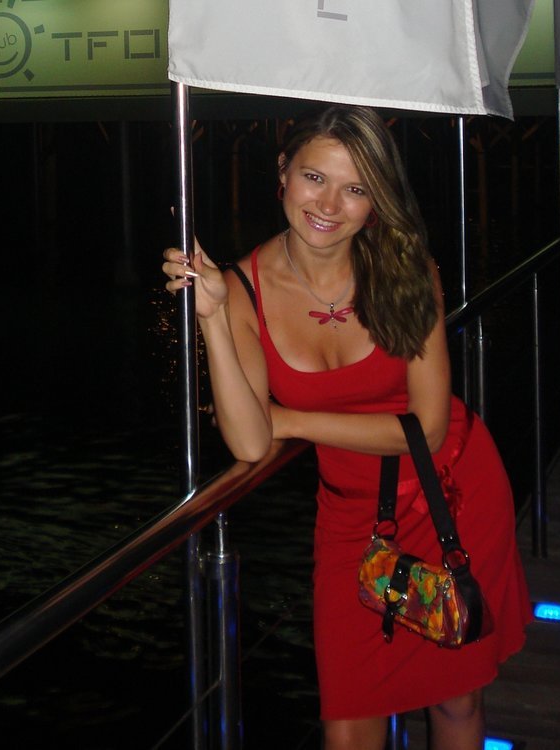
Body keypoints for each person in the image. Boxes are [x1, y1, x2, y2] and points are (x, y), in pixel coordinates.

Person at [162, 105, 532, 750]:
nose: (329, 205)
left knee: (455, 698)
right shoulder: (243, 287)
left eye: (356, 188)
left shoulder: (406, 268)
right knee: (350, 716)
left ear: (376, 199)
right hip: (352, 517)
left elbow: (428, 429)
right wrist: (213, 317)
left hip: (452, 491)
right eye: (315, 178)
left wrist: (292, 419)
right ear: (283, 172)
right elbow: (250, 442)